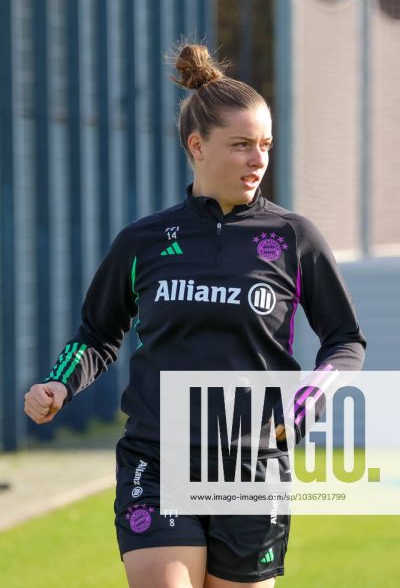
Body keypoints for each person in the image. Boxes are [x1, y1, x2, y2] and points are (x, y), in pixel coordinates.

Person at [24, 42, 366, 587]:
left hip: (251, 465)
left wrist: (306, 403)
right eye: (241, 145)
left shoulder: (294, 238)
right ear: (197, 145)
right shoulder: (143, 240)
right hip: (156, 456)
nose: (258, 160)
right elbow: (98, 333)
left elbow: (346, 340)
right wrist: (59, 383)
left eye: (265, 145)